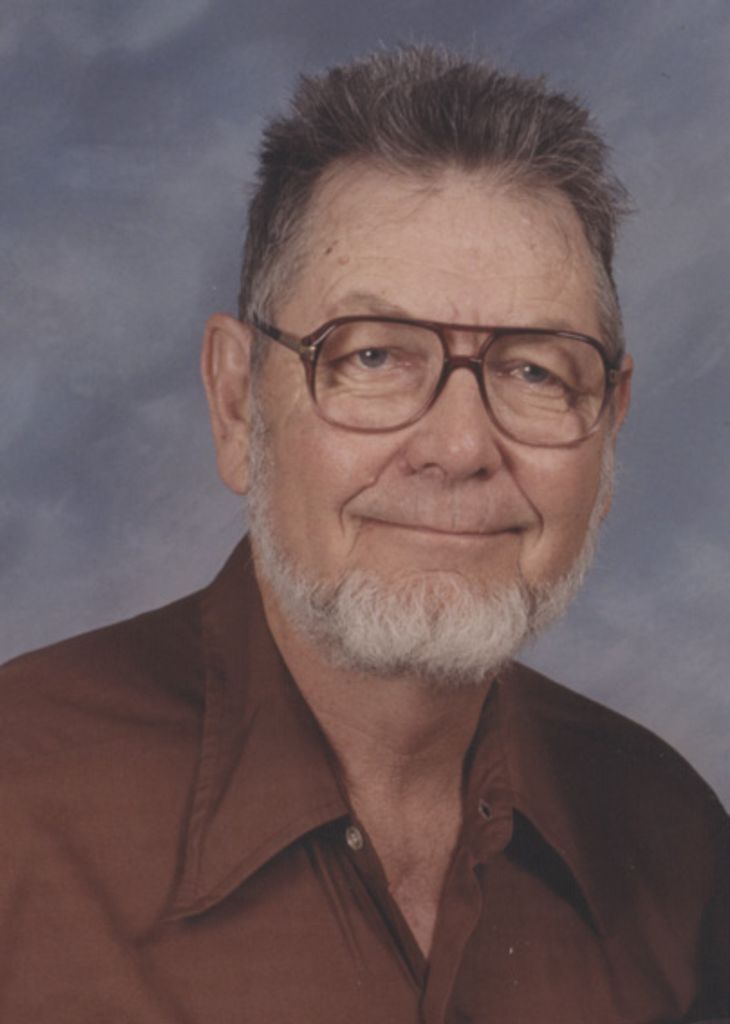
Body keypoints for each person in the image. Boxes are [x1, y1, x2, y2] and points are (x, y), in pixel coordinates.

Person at [0, 46, 727, 1024]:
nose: (459, 447)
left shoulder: (675, 845)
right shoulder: (17, 808)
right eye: (373, 356)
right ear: (235, 404)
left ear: (610, 419)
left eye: (534, 371)